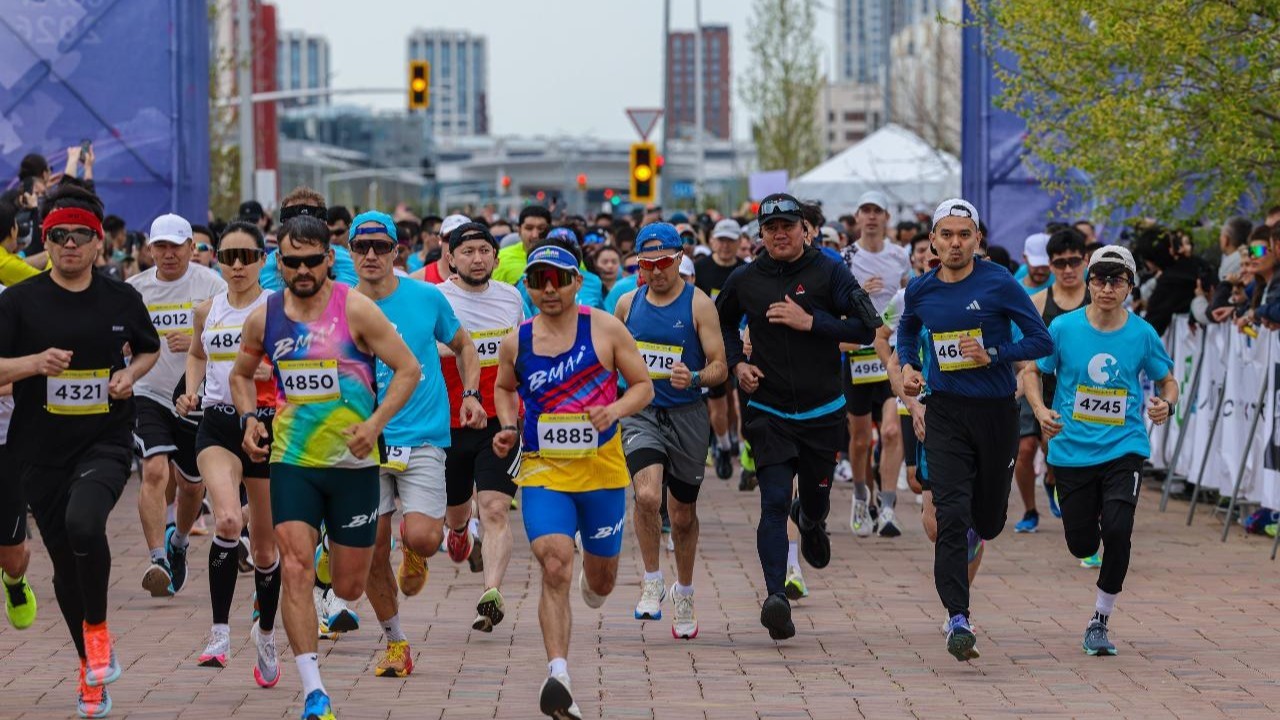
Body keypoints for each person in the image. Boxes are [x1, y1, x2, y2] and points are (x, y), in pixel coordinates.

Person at [228, 215, 420, 720]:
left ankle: (330, 562)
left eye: (313, 260)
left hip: (353, 465)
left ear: (328, 259)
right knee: (292, 566)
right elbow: (241, 375)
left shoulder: (355, 309)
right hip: (293, 461)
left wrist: (375, 423)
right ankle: (314, 690)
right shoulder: (264, 317)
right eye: (292, 262)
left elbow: (408, 369)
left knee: (350, 586)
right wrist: (249, 418)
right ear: (280, 262)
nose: (303, 270)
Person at [0, 184, 161, 718]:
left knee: (86, 523)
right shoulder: (18, 302)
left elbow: (148, 349)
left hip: (104, 440)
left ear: (98, 244)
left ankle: (97, 634)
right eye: (58, 236)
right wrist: (33, 364)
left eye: (80, 236)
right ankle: (91, 668)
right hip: (38, 451)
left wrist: (129, 376)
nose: (69, 245)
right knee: (66, 568)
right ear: (45, 242)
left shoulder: (121, 299)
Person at [491, 242, 653, 719]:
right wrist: (506, 427)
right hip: (545, 471)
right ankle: (558, 674)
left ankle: (595, 574)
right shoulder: (517, 339)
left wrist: (615, 410)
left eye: (557, 279)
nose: (548, 289)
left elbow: (643, 385)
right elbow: (503, 386)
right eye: (538, 279)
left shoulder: (604, 329)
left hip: (602, 473)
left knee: (601, 584)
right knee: (554, 563)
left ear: (576, 282)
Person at [714, 193, 881, 640]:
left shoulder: (829, 271)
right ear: (761, 235)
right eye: (771, 228)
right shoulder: (745, 279)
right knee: (771, 502)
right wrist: (736, 365)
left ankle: (810, 521)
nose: (781, 234)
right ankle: (776, 598)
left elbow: (867, 326)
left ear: (805, 229)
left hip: (823, 412)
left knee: (814, 499)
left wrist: (813, 323)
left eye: (788, 225)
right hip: (768, 410)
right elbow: (721, 325)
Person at [897, 198, 1053, 661]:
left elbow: (1040, 340)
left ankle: (978, 529)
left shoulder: (999, 282)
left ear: (977, 240)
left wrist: (995, 355)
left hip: (995, 413)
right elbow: (906, 331)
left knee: (987, 520)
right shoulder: (921, 289)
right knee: (951, 515)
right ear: (933, 241)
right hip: (945, 411)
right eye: (946, 234)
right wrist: (908, 365)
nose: (955, 243)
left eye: (964, 234)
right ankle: (958, 619)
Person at [1023, 245, 1177, 656]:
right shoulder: (1063, 329)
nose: (1107, 288)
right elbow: (1033, 372)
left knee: (1118, 531)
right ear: (1089, 282)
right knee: (1082, 545)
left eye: (1116, 280)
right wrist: (1039, 410)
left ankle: (1100, 618)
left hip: (1124, 447)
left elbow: (1168, 381)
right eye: (1100, 279)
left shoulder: (1143, 333)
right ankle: (1074, 506)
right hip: (1071, 451)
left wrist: (1167, 404)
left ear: (1129, 286)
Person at [348, 212, 482, 678]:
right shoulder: (337, 305)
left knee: (423, 536)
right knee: (369, 545)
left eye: (380, 246)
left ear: (396, 251)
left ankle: (416, 552)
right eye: (361, 246)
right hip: (361, 443)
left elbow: (465, 346)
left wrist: (469, 395)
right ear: (349, 251)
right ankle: (395, 642)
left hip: (423, 435)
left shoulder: (426, 298)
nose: (370, 255)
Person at [175, 221, 282, 685]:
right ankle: (219, 634)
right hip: (218, 422)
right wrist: (192, 391)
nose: (237, 265)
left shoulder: (277, 309)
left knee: (263, 546)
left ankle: (266, 634)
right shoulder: (207, 309)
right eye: (228, 256)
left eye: (246, 256)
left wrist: (265, 374)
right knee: (226, 521)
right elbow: (197, 354)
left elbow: (298, 359)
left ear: (263, 259)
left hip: (267, 423)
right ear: (217, 259)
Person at [614, 223, 727, 638]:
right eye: (647, 264)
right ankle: (650, 581)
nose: (656, 272)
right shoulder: (627, 304)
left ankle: (684, 590)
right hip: (642, 414)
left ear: (679, 259)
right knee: (645, 494)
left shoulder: (699, 305)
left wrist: (694, 376)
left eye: (664, 263)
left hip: (687, 416)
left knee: (681, 516)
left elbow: (720, 367)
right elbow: (609, 356)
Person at [127, 213, 227, 597]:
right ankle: (157, 559)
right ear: (149, 250)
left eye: (176, 246)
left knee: (190, 485)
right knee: (154, 469)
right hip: (148, 393)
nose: (168, 254)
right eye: (161, 247)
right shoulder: (133, 290)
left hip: (193, 397)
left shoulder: (212, 286)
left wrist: (198, 344)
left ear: (192, 248)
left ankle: (179, 543)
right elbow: (119, 336)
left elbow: (230, 340)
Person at [436, 222, 526, 633]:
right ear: (451, 258)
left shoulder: (511, 299)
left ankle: (491, 593)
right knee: (458, 513)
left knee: (493, 508)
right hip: (449, 424)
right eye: (467, 251)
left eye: (484, 250)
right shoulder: (435, 299)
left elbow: (523, 359)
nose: (477, 258)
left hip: (499, 421)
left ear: (495, 256)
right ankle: (457, 533)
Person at [841, 191, 912, 538]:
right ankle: (859, 496)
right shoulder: (846, 257)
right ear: (857, 217)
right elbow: (834, 306)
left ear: (886, 217)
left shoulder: (900, 256)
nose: (871, 217)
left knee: (891, 429)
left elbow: (908, 298)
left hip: (892, 352)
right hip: (856, 354)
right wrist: (859, 294)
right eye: (865, 210)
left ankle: (886, 507)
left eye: (877, 211)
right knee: (858, 440)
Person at [1014, 228, 1090, 535]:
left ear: (1085, 261)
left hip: (1079, 392)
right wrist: (1029, 370)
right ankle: (1030, 511)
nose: (1068, 269)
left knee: (1058, 450)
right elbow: (1019, 346)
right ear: (1051, 264)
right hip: (1036, 385)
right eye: (1060, 263)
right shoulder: (1036, 302)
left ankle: (1052, 480)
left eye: (1074, 262)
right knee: (1024, 449)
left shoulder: (1096, 300)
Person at [695, 218, 747, 480]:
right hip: (709, 342)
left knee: (741, 398)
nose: (726, 246)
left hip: (740, 343)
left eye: (731, 240)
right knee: (716, 402)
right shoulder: (700, 269)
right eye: (722, 240)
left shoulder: (746, 270)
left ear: (740, 242)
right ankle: (724, 446)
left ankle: (746, 448)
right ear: (713, 241)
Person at [259, 188, 358, 290]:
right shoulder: (262, 267)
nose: (303, 231)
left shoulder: (349, 263)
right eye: (294, 225)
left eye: (311, 225)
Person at [494, 205, 552, 285]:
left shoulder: (560, 257)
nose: (535, 235)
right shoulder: (501, 257)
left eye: (541, 228)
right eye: (529, 228)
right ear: (519, 230)